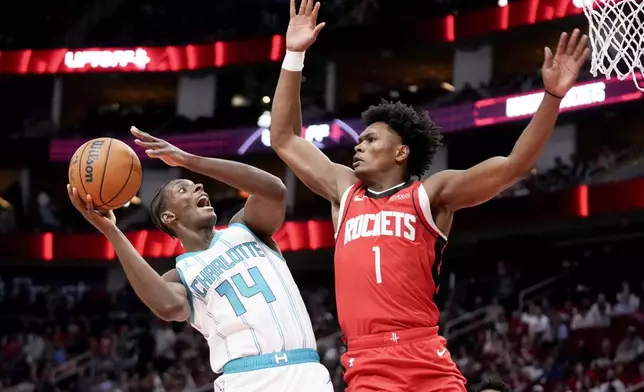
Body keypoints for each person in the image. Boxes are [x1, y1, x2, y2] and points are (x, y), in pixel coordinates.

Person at [269, 1, 590, 390]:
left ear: (401, 152)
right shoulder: (344, 191)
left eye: (371, 139)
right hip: (367, 361)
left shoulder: (430, 195)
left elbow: (513, 167)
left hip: (423, 353)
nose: (358, 145)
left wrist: (552, 98)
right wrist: (294, 55)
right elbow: (284, 138)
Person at [67, 126, 332, 392]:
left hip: (306, 371)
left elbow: (274, 190)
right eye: (184, 189)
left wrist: (186, 160)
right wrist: (112, 231)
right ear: (170, 217)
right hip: (247, 380)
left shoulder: (247, 228)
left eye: (195, 185)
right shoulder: (180, 274)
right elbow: (167, 306)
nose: (198, 186)